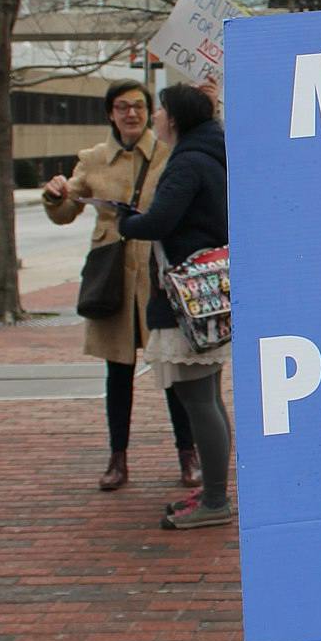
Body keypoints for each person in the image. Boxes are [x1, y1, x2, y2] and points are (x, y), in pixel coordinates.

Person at [42, 80, 200, 492]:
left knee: (173, 370)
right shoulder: (93, 160)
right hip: (113, 279)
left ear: (150, 112)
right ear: (110, 113)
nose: (130, 114)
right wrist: (55, 194)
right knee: (118, 373)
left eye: (138, 106)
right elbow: (65, 210)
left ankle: (189, 455)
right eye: (121, 107)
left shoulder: (170, 153)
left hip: (160, 276)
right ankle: (118, 459)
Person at [116, 84, 233, 530]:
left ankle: (215, 500)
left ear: (176, 117)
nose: (155, 117)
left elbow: (160, 221)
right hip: (207, 297)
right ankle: (213, 493)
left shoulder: (186, 162)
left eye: (161, 109)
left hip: (187, 298)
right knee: (208, 399)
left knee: (198, 400)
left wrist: (125, 220)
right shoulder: (213, 155)